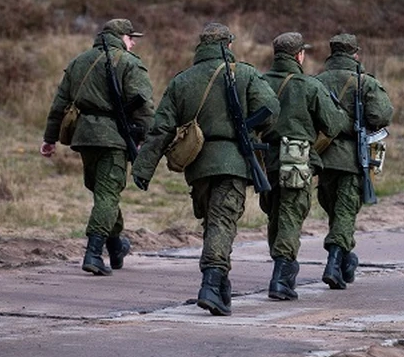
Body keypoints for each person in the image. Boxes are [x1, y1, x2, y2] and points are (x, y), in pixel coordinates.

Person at [131, 22, 279, 316]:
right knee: (222, 223)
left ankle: (219, 285)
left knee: (213, 223)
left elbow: (161, 129)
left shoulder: (182, 81)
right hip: (234, 161)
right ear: (228, 45)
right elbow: (271, 112)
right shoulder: (245, 74)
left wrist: (143, 168)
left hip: (198, 164)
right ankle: (211, 283)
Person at [40, 18, 154, 276]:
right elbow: (145, 107)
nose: (133, 42)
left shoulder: (79, 62)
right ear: (120, 37)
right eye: (130, 37)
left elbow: (59, 106)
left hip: (84, 137)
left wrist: (50, 138)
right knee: (107, 195)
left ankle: (115, 247)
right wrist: (148, 139)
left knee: (104, 193)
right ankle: (93, 253)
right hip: (113, 138)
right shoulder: (129, 63)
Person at [260, 32, 349, 301]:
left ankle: (280, 266)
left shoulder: (260, 82)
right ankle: (282, 277)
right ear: (299, 55)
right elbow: (334, 125)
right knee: (289, 213)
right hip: (296, 160)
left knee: (274, 213)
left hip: (265, 160)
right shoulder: (309, 86)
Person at [315, 33, 393, 290]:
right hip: (351, 159)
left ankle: (346, 259)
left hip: (324, 157)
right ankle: (333, 263)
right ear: (355, 54)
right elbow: (382, 114)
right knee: (346, 212)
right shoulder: (364, 82)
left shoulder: (317, 82)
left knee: (335, 211)